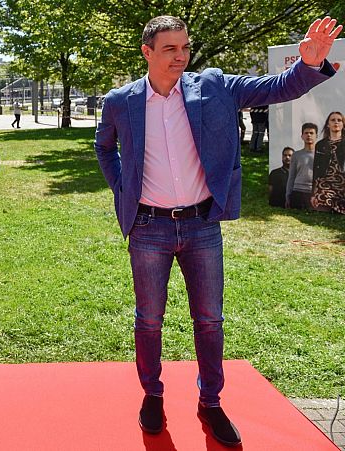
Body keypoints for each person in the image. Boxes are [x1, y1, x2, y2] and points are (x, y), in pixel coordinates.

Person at [94, 16, 340, 447]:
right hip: (148, 226)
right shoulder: (121, 100)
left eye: (185, 47)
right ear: (147, 52)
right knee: (148, 320)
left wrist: (307, 65)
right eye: (170, 49)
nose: (181, 56)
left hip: (202, 224)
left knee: (209, 320)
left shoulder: (214, 86)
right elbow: (104, 147)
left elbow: (276, 87)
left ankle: (210, 401)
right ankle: (152, 394)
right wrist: (123, 188)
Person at [311, 111, 345, 213]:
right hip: (324, 184)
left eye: (339, 120)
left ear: (343, 124)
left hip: (342, 183)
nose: (336, 122)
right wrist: (313, 193)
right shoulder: (320, 145)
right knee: (321, 207)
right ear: (328, 124)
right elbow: (316, 169)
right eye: (333, 120)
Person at [286, 123, 318, 209]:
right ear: (302, 136)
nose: (309, 135)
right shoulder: (296, 155)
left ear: (316, 136)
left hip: (313, 193)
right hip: (297, 191)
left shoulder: (321, 155)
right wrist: (288, 195)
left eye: (311, 133)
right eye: (306, 133)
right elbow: (291, 176)